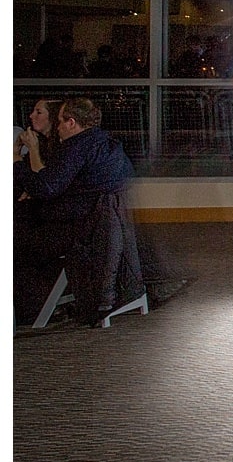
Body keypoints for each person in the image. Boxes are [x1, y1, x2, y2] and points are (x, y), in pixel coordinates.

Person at [14, 96, 144, 325]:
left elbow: (47, 187)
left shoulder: (76, 147)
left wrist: (15, 161)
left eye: (61, 121)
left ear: (72, 123)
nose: (58, 126)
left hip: (82, 232)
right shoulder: (107, 144)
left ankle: (30, 310)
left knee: (16, 245)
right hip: (100, 228)